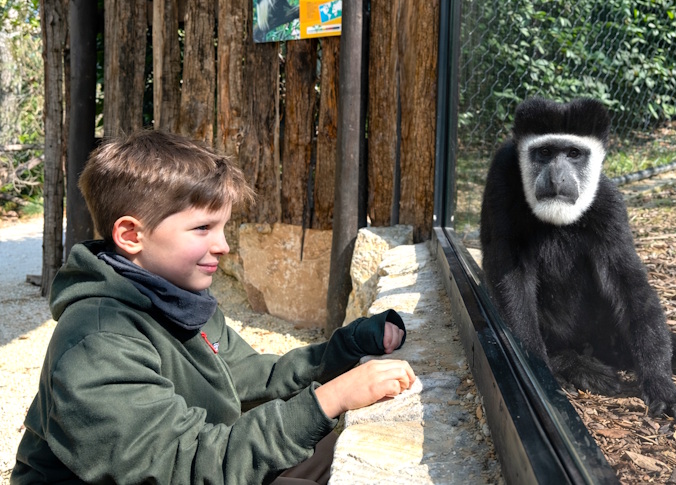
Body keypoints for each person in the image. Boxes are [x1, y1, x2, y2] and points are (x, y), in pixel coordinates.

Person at [12, 130, 415, 484]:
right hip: (188, 467)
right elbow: (185, 465)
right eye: (202, 228)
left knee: (342, 449)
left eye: (222, 227)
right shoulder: (97, 343)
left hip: (205, 457)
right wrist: (331, 399)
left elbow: (254, 377)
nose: (222, 245)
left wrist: (348, 349)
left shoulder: (177, 298)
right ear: (131, 234)